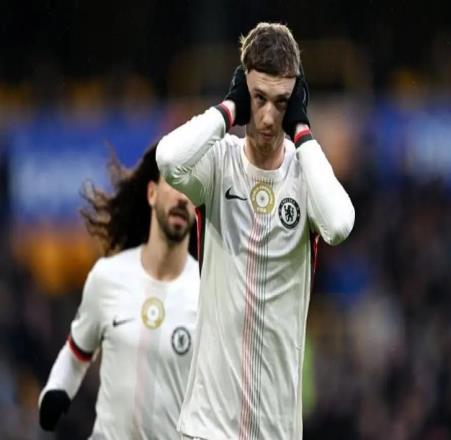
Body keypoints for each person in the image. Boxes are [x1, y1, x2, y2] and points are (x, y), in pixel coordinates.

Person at [156, 22, 355, 440]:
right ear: (244, 91)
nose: (267, 117)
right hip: (208, 427)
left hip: (277, 430)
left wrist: (303, 132)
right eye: (258, 98)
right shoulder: (218, 164)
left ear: (296, 101)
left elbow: (339, 224)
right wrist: (228, 109)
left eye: (282, 102)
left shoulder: (305, 176)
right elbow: (169, 160)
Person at [38, 143, 199, 439]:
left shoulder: (208, 293)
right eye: (174, 183)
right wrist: (56, 389)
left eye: (190, 189)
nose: (181, 197)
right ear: (152, 193)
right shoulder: (108, 277)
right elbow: (76, 353)